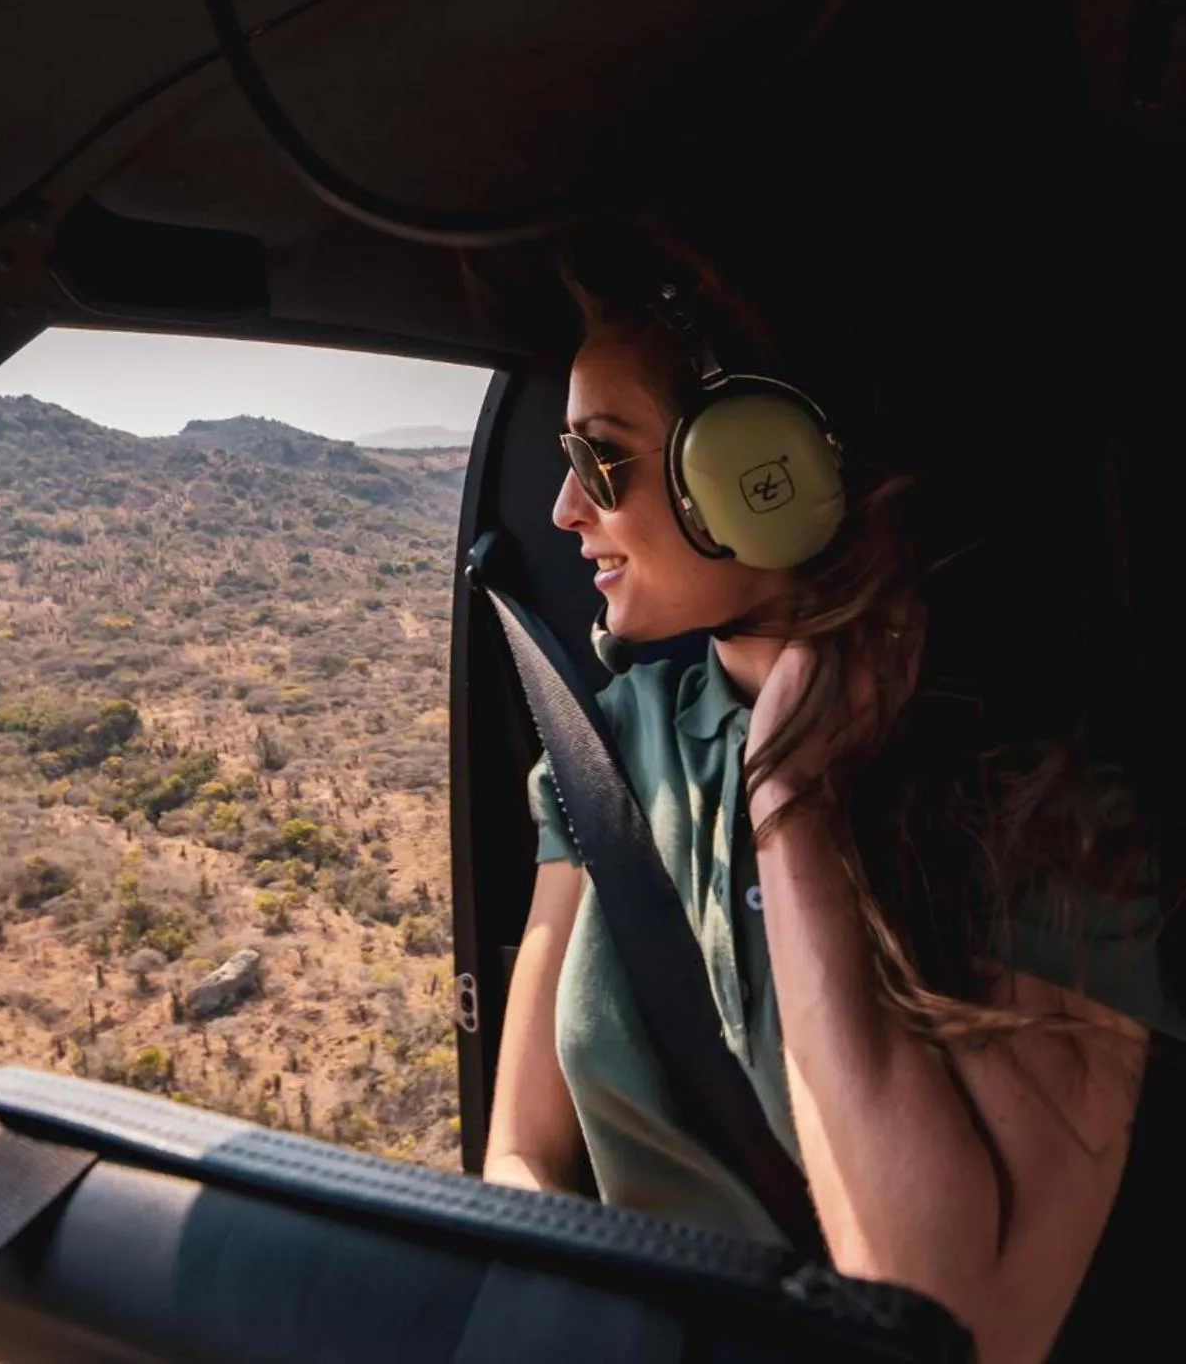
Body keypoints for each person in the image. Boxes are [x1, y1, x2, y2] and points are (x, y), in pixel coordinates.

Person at [478, 222, 1184, 1364]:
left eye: (601, 460)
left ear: (766, 471)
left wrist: (789, 798)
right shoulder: (598, 752)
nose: (564, 509)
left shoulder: (1042, 803)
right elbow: (521, 1161)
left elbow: (954, 1323)